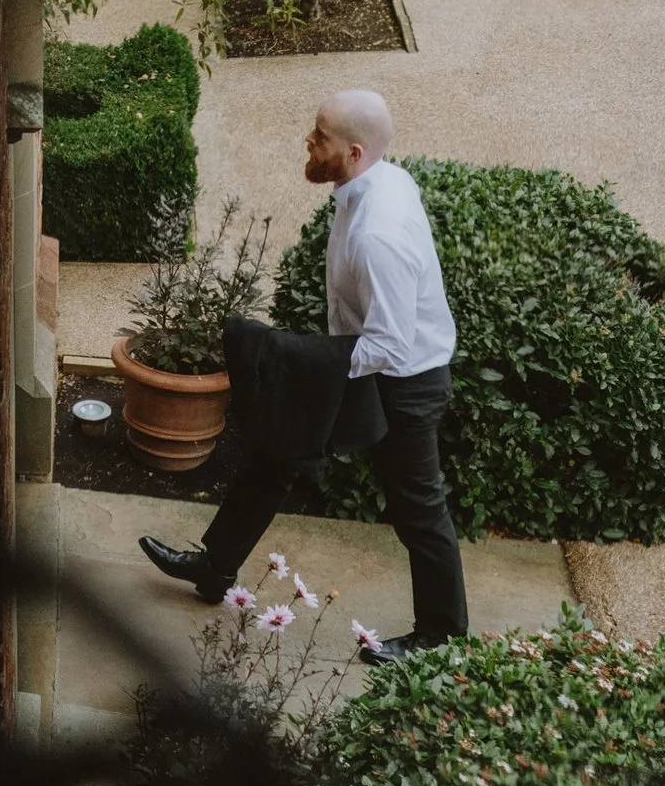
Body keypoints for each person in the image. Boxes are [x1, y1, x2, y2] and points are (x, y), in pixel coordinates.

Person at [137, 89, 466, 667]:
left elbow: (391, 342)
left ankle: (441, 636)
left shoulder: (378, 232)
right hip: (364, 358)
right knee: (277, 452)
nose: (309, 142)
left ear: (355, 152)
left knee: (418, 509)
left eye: (321, 137)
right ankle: (215, 568)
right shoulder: (369, 186)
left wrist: (310, 369)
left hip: (403, 381)